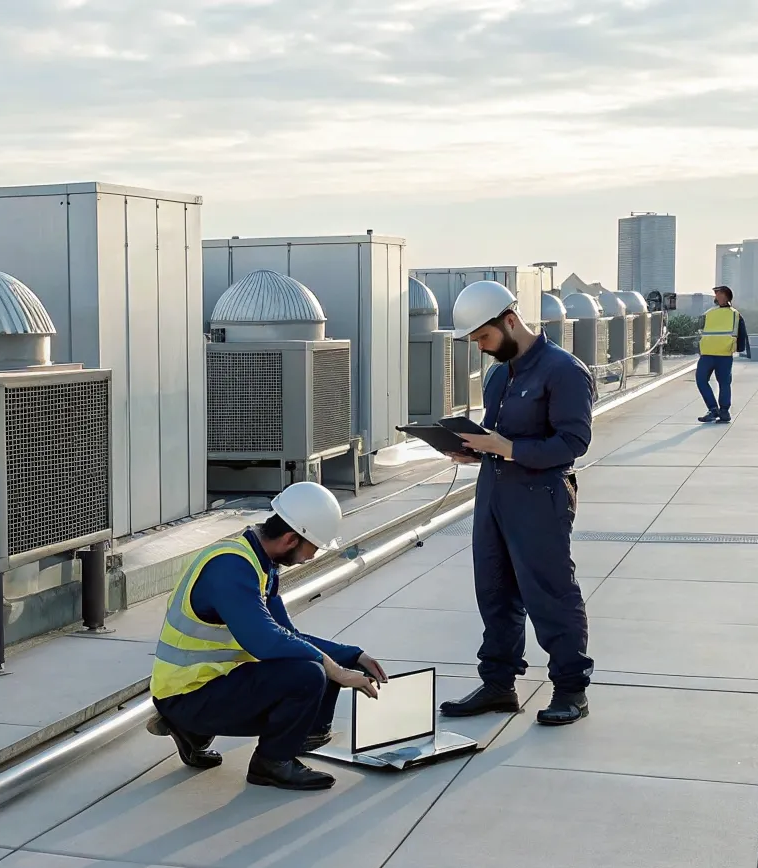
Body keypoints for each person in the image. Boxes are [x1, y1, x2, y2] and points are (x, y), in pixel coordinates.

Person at [147, 482, 390, 791]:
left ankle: (297, 735)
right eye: (312, 549)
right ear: (290, 539)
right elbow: (263, 640)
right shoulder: (230, 568)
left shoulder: (260, 563)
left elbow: (287, 635)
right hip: (187, 695)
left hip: (213, 684)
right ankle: (272, 763)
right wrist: (334, 669)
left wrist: (352, 655)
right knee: (308, 673)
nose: (310, 558)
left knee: (314, 660)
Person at [438, 281, 596, 726]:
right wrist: (473, 450)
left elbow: (573, 442)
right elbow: (497, 437)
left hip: (540, 497)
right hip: (494, 494)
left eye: (485, 338)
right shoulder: (498, 374)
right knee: (494, 590)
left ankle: (570, 689)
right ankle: (498, 685)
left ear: (510, 321)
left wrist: (507, 449)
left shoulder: (563, 370)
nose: (483, 349)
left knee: (549, 592)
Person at [695, 285, 749, 423]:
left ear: (725, 296)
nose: (716, 296)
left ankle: (722, 411)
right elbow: (700, 330)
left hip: (719, 354)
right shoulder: (713, 313)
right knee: (707, 381)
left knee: (721, 383)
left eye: (718, 293)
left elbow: (741, 333)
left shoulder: (733, 314)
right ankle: (715, 410)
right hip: (711, 353)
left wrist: (739, 348)